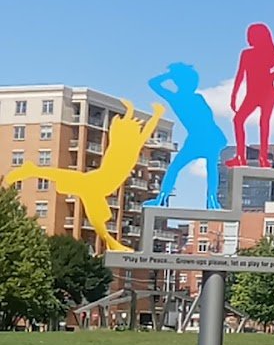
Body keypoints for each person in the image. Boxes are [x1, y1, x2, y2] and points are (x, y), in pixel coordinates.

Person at [13, 100, 163, 253]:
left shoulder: (125, 145)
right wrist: (152, 114)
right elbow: (139, 130)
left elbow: (140, 130)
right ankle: (111, 243)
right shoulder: (124, 146)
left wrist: (145, 113)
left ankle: (32, 170)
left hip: (99, 183)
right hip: (98, 183)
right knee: (94, 211)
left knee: (84, 196)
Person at [147, 63, 228, 209]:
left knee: (183, 167)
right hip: (203, 137)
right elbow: (152, 83)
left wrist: (170, 75)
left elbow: (154, 83)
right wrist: (172, 74)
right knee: (207, 168)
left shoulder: (179, 99)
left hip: (204, 137)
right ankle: (210, 200)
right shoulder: (189, 98)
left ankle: (210, 200)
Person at [226, 24, 274, 167]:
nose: (249, 38)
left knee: (263, 122)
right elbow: (240, 75)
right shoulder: (247, 54)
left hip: (267, 93)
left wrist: (272, 75)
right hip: (253, 93)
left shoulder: (269, 53)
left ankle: (263, 157)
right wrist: (234, 95)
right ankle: (241, 157)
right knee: (239, 120)